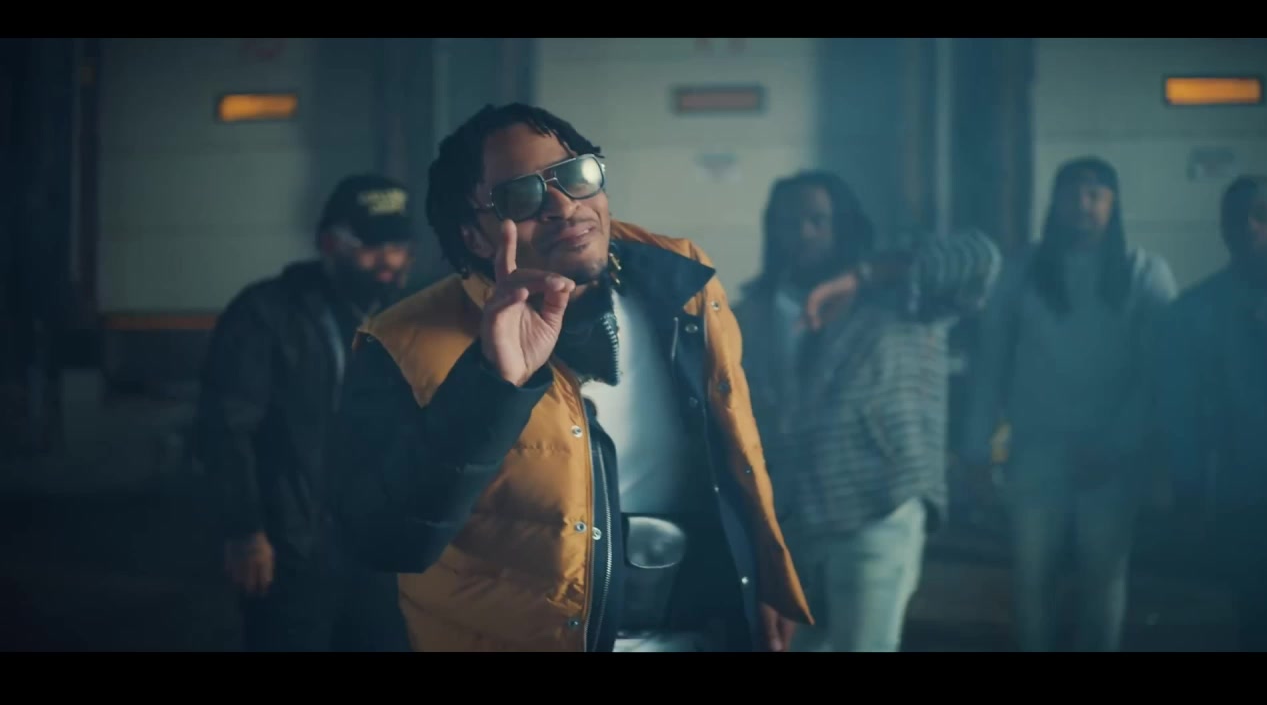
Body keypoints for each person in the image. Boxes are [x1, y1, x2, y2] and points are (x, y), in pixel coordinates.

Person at [327, 103, 812, 652]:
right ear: (476, 237)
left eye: (575, 174)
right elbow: (384, 542)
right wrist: (491, 385)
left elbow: (736, 447)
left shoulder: (681, 283)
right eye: (522, 196)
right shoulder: (399, 343)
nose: (563, 205)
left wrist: (764, 576)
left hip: (703, 633)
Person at [734, 170, 1001, 652]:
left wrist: (862, 276)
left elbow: (980, 257)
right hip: (791, 520)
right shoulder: (753, 310)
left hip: (878, 507)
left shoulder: (904, 295)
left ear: (844, 224)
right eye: (788, 222)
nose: (804, 232)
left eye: (818, 220)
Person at [962, 156, 1177, 652]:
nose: (1083, 204)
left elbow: (1159, 375)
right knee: (1032, 578)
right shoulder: (1021, 272)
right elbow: (991, 365)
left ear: (1113, 204)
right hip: (1037, 452)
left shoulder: (1145, 272)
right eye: (1072, 193)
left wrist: (1120, 445)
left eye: (1095, 194)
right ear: (1054, 203)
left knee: (1103, 580)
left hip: (1113, 458)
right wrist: (975, 450)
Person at [193, 173, 415, 652]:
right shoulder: (266, 313)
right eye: (372, 246)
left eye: (398, 246)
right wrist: (245, 530)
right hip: (291, 548)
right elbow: (225, 427)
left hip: (377, 549)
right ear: (329, 243)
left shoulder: (403, 316)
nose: (389, 260)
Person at [1157, 175, 1267, 651]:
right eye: (1236, 217)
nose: (1250, 226)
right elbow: (1181, 410)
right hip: (1244, 490)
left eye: (1262, 214)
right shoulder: (1194, 312)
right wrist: (1187, 489)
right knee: (1253, 615)